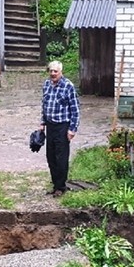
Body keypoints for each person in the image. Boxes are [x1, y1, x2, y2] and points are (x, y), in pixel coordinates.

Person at [40, 60, 80, 197]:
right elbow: (44, 106)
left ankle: (61, 187)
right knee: (50, 157)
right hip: (50, 126)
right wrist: (42, 123)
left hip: (63, 126)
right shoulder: (46, 84)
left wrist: (72, 129)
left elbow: (75, 110)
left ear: (60, 72)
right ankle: (55, 184)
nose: (52, 74)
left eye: (55, 71)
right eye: (50, 71)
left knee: (61, 158)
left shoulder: (68, 86)